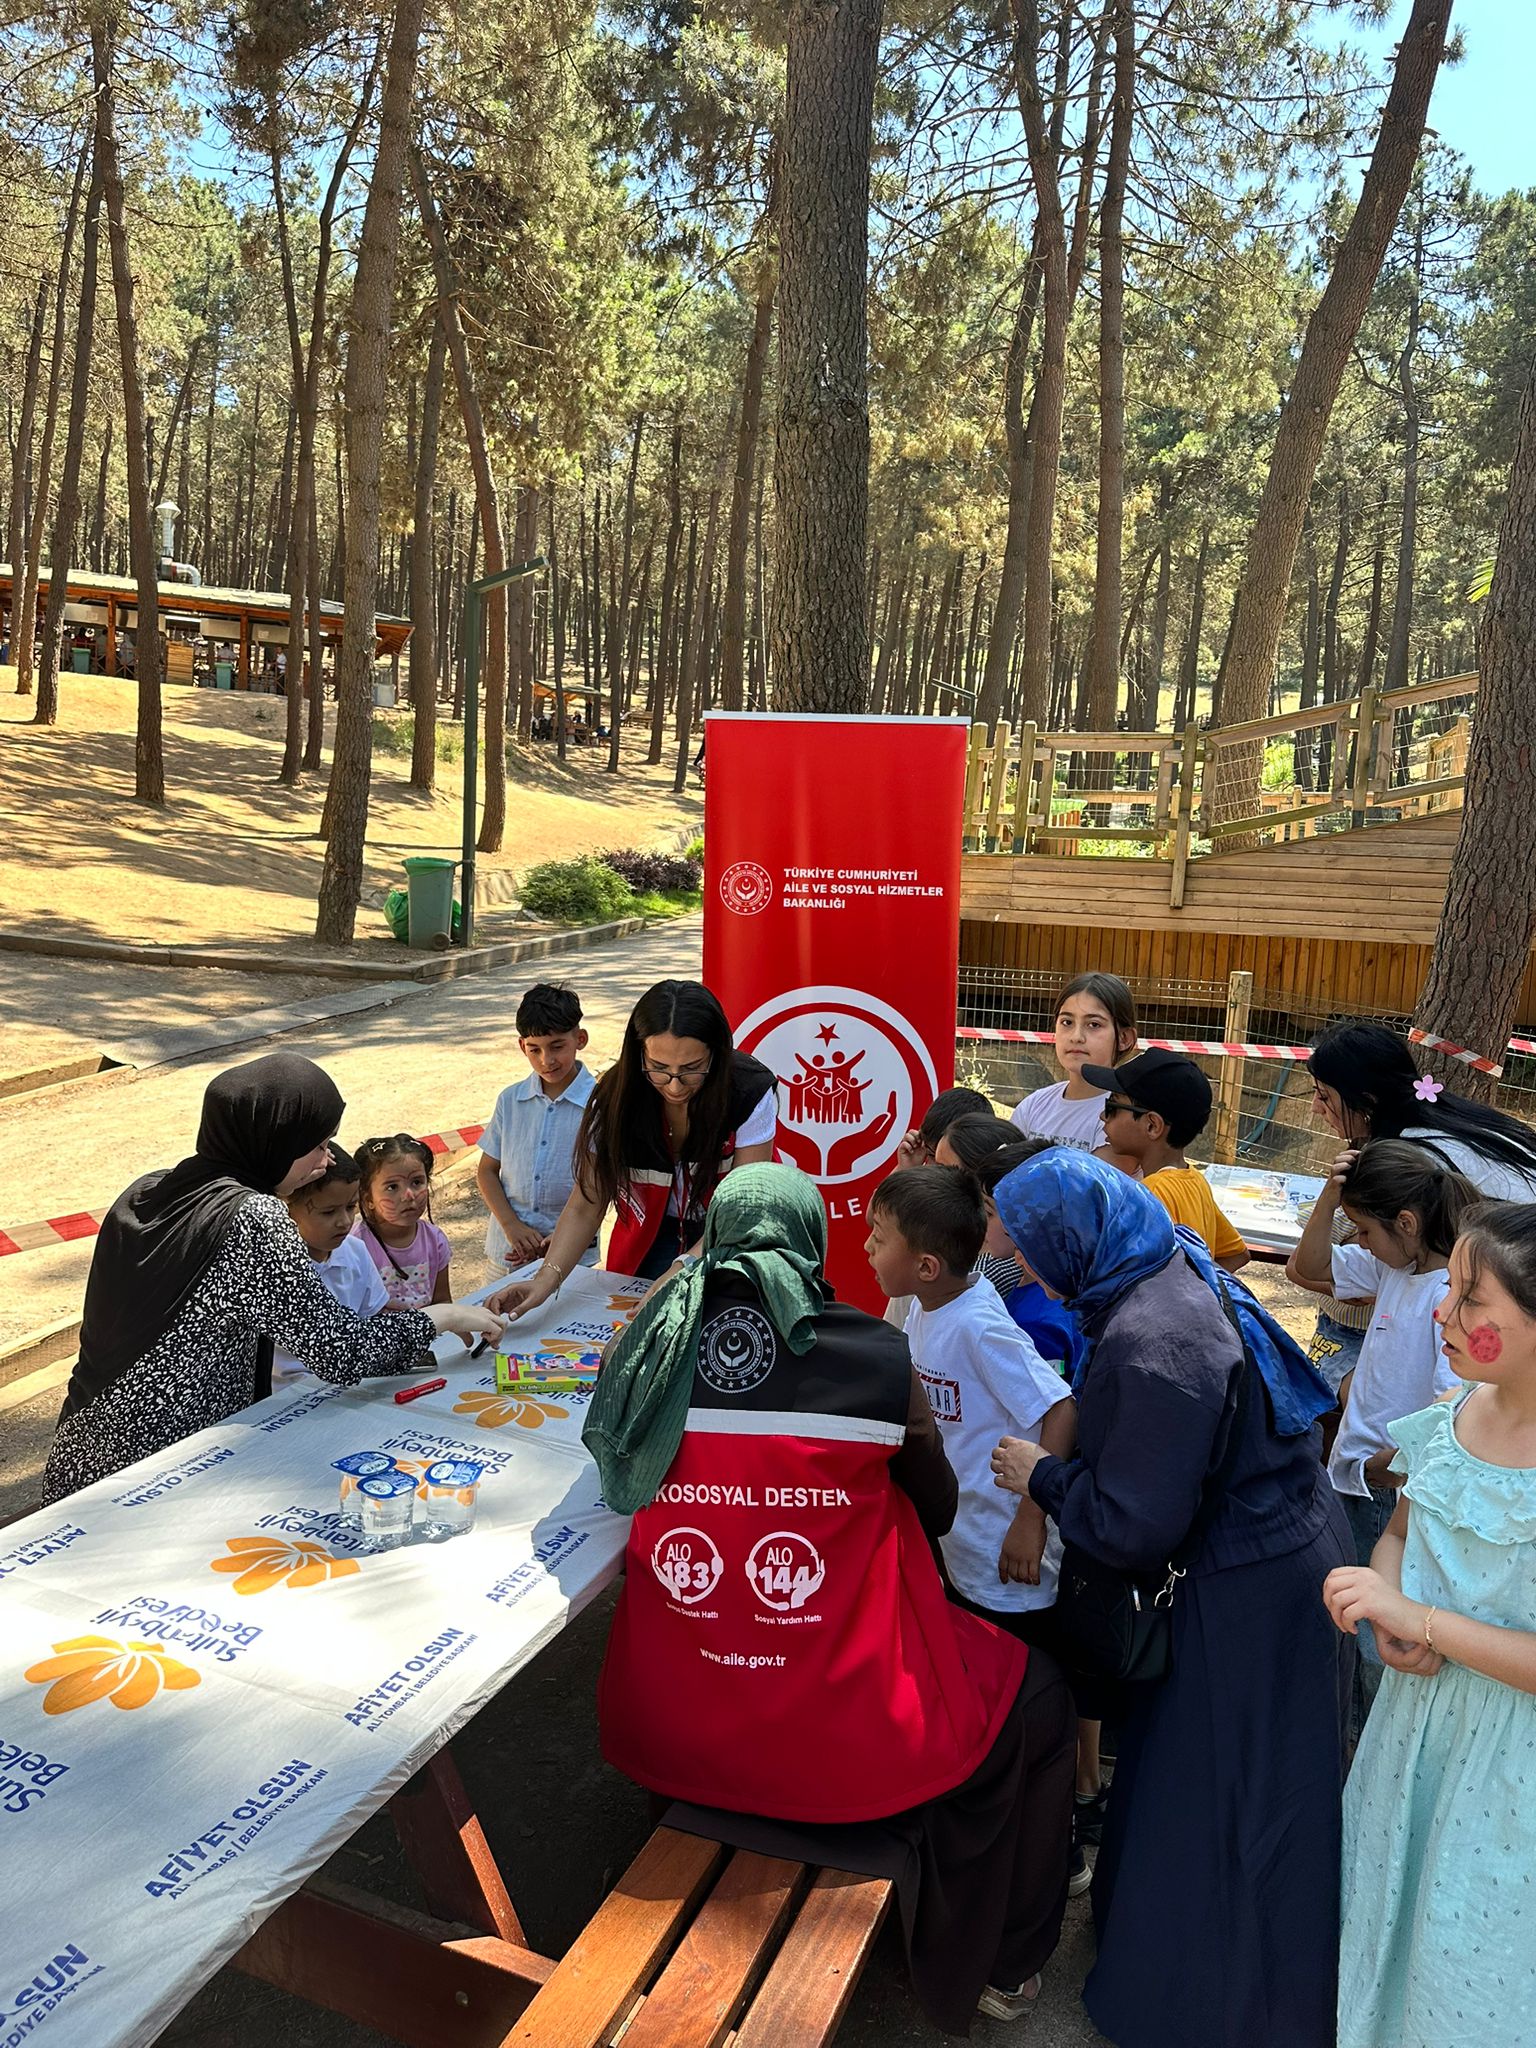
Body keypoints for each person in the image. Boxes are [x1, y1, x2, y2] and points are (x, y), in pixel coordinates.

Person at [587, 1164, 1076, 2031]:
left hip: (671, 1710)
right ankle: (1001, 1965)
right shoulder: (873, 1353)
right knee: (1038, 1696)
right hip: (842, 1727)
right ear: (809, 1241)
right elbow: (936, 1507)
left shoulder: (646, 1346)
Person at [989, 1149, 1348, 2048]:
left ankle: (1210, 2010)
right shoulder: (1162, 1257)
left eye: (1026, 1241)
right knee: (1213, 1791)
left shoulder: (1157, 1344)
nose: (1017, 1258)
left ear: (1074, 1240)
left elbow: (1132, 1524)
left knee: (1222, 1806)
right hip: (1273, 1552)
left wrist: (1045, 1479)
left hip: (1243, 1597)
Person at [42, 1055, 500, 1504]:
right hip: (159, 1468)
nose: (325, 1162)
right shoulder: (251, 1215)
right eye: (317, 1145)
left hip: (85, 1448)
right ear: (274, 1140)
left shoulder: (153, 1189)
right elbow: (339, 1351)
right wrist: (442, 1315)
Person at [1326, 1201, 1536, 2048]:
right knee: (1388, 1936)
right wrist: (1387, 1611)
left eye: (1470, 1300)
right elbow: (1402, 1536)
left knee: (1476, 1980)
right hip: (1411, 1742)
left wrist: (1422, 1619)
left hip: (1510, 1776)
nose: (1441, 1313)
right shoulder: (1447, 1422)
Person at [1288, 1139, 1477, 1726]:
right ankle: (1346, 1730)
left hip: (1386, 1487)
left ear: (1407, 1222)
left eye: (1365, 1231)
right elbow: (1306, 1268)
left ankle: (1367, 1739)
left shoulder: (1444, 1295)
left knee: (1373, 1630)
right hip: (1357, 1475)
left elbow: (1455, 1403)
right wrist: (1330, 1195)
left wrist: (1387, 1463)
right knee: (1347, 1613)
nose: (1359, 1244)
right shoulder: (1398, 1265)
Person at [489, 980, 777, 1311]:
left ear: (717, 1054)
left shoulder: (749, 1093)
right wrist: (545, 1279)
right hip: (649, 1236)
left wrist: (683, 1268)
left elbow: (741, 1210)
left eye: (692, 1069)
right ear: (639, 1052)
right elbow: (586, 1203)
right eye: (658, 1068)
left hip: (729, 1234)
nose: (674, 1085)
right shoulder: (615, 1098)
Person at [1309, 1020, 1536, 1201]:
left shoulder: (1411, 1160)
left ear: (1368, 1101)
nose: (1315, 1107)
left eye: (1324, 1096)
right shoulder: (1441, 1116)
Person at [933, 1115, 1086, 1381]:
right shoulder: (1049, 1289)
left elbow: (1045, 1411)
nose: (979, 1218)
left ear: (1025, 1221)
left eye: (989, 1212)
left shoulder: (1036, 1321)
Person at [1082, 1048, 1249, 1271]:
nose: (1102, 1116)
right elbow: (1236, 1254)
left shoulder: (1147, 1196)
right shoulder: (1196, 1182)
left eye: (1112, 1106)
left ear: (1152, 1125)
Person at [476, 982, 596, 1271]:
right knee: (493, 1316)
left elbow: (600, 1186)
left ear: (580, 1039)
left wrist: (568, 1237)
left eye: (557, 1046)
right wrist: (511, 1226)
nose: (547, 1060)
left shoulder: (600, 1106)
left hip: (571, 1259)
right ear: (522, 1046)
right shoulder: (510, 1100)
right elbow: (487, 1170)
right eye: (535, 1050)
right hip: (506, 1253)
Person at [272, 1144, 389, 1385]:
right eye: (328, 1212)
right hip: (286, 1400)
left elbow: (374, 1319)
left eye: (350, 1207)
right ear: (285, 1208)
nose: (344, 1222)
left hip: (352, 1385)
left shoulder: (355, 1251)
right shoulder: (274, 1269)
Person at [883, 1085, 994, 1329]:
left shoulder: (989, 1250)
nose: (932, 1166)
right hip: (905, 1331)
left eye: (942, 1160)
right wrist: (905, 1168)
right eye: (930, 1154)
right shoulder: (924, 1184)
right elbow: (877, 1216)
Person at [1011, 972, 1138, 1150]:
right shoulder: (1033, 1106)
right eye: (1067, 1022)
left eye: (1094, 1024)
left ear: (1124, 1038)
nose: (1076, 1037)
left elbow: (1097, 1178)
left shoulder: (1127, 1116)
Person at [353, 1134, 454, 1309]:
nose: (409, 1195)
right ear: (367, 1198)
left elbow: (442, 1301)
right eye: (392, 1187)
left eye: (417, 1182)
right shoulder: (355, 1246)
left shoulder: (435, 1240)